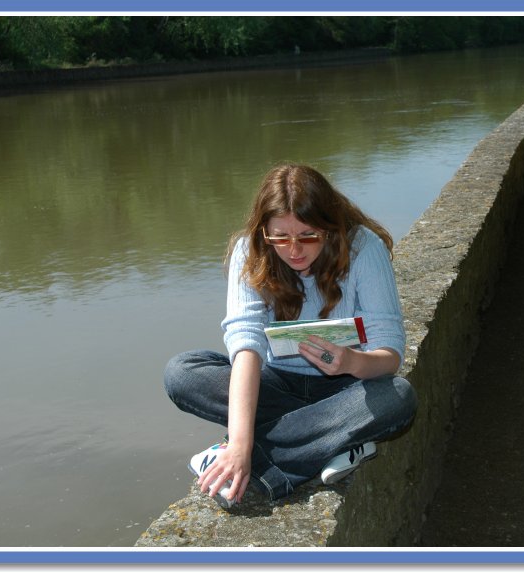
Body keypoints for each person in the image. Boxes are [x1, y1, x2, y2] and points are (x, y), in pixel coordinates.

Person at [163, 163, 417, 508]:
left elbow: (390, 355)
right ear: (264, 231)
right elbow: (246, 344)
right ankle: (336, 440)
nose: (294, 249)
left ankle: (268, 463)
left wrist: (351, 360)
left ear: (329, 228)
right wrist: (239, 442)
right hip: (276, 384)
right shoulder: (250, 251)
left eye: (308, 236)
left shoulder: (363, 248)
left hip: (346, 388)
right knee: (182, 371)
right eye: (280, 237)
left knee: (399, 397)